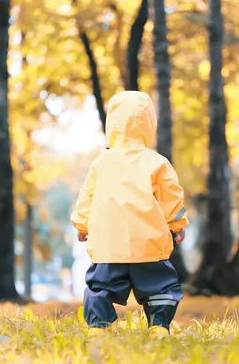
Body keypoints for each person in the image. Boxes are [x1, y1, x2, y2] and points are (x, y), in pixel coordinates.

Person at [71, 90, 188, 339]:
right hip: (148, 244)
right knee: (160, 288)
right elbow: (171, 197)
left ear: (111, 124)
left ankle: (98, 328)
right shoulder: (157, 162)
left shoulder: (102, 162)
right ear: (150, 125)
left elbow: (87, 196)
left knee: (100, 288)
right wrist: (177, 224)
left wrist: (82, 226)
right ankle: (158, 326)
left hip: (108, 245)